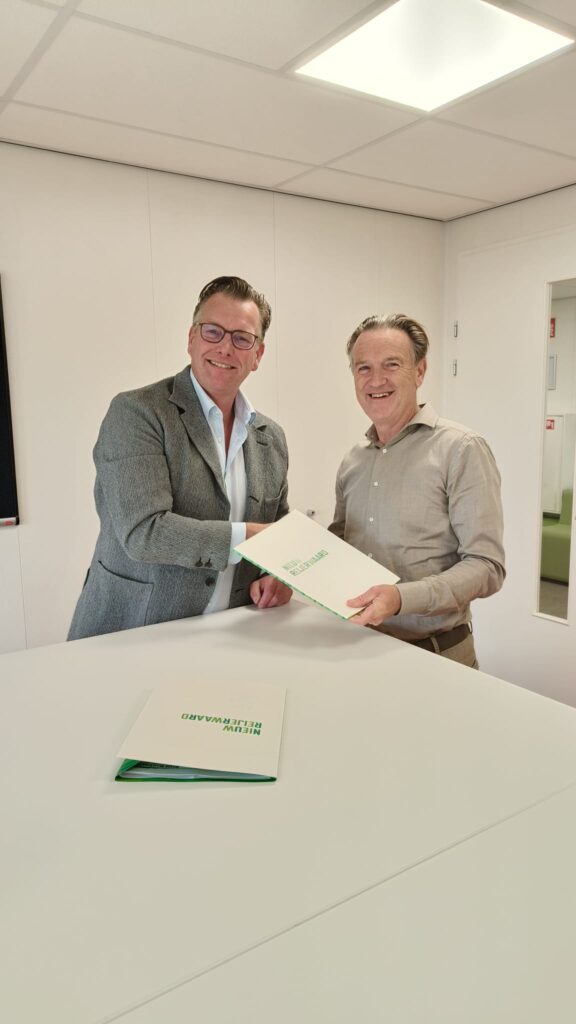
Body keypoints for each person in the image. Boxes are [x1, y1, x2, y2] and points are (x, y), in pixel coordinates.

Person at [68, 275, 291, 640]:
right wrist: (249, 536)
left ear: (258, 355)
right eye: (213, 332)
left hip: (232, 635)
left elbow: (278, 530)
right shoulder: (137, 413)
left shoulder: (272, 438)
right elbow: (144, 532)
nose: (225, 347)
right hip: (132, 634)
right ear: (191, 339)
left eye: (242, 338)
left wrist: (278, 575)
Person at [329, 313, 505, 668]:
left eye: (391, 364)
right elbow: (337, 546)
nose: (376, 379)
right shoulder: (352, 461)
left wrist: (401, 598)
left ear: (420, 371)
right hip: (357, 649)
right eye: (363, 368)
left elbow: (487, 566)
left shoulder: (461, 449)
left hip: (438, 656)